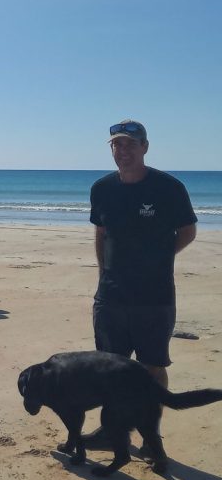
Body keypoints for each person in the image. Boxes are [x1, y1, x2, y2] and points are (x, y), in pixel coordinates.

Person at [84, 119, 197, 447]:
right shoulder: (102, 189)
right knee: (110, 368)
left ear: (145, 147)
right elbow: (101, 233)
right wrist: (104, 272)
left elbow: (187, 231)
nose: (123, 151)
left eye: (131, 144)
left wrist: (160, 259)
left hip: (154, 296)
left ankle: (152, 437)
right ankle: (111, 431)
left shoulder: (169, 188)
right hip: (111, 296)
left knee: (152, 367)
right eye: (117, 145)